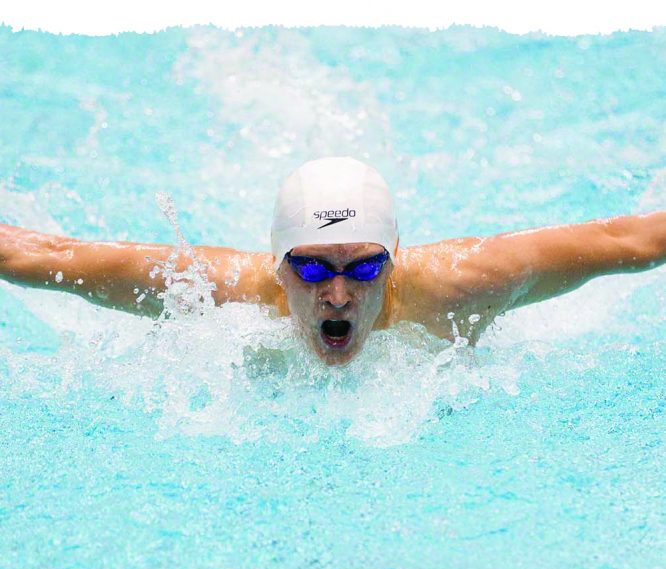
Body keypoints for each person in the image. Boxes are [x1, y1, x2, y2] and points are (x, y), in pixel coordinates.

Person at [1, 156, 664, 366]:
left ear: (396, 259)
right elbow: (50, 256)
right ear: (278, 264)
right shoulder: (220, 291)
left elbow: (622, 242)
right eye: (313, 269)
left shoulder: (461, 283)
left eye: (365, 268)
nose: (339, 295)